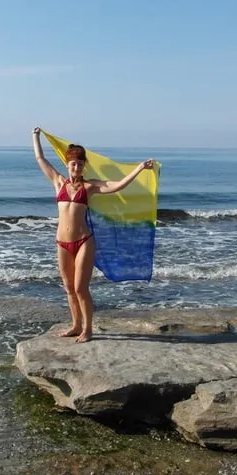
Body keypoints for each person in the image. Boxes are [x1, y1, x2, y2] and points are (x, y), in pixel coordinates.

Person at [32, 127, 156, 343]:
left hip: (84, 242)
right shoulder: (58, 182)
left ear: (83, 166)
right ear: (68, 165)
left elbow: (117, 186)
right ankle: (75, 325)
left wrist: (139, 169)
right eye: (73, 163)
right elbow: (40, 158)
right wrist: (36, 137)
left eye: (80, 164)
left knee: (81, 288)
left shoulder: (90, 187)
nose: (77, 167)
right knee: (69, 288)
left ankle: (88, 329)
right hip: (62, 243)